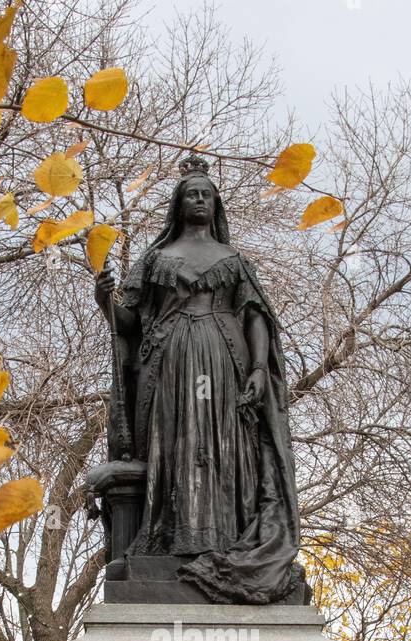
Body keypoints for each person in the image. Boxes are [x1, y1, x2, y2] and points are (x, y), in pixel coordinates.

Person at [94, 153, 305, 604]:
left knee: (222, 445)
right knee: (176, 441)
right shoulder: (155, 260)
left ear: (216, 204)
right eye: (191, 194)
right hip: (168, 360)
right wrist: (104, 301)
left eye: (206, 195)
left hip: (223, 357)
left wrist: (256, 369)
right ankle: (173, 536)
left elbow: (255, 317)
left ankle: (224, 537)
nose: (199, 200)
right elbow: (127, 322)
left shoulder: (233, 259)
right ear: (178, 204)